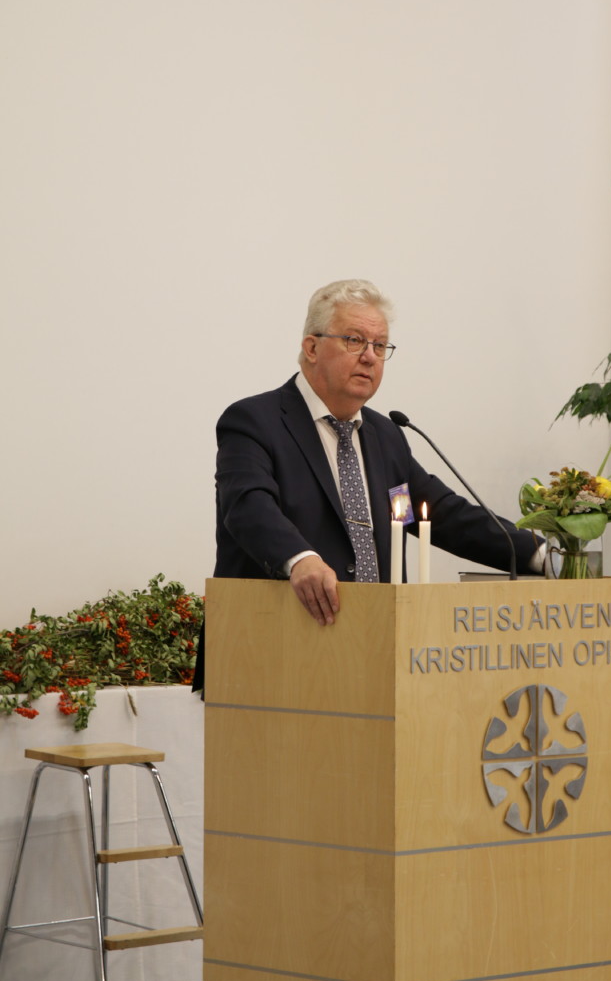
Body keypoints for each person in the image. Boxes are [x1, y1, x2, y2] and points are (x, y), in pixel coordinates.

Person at [192, 279, 541, 692]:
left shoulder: (385, 436)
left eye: (380, 345)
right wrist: (299, 559)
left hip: (372, 651)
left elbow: (442, 514)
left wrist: (540, 555)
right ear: (312, 347)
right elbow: (248, 506)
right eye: (354, 340)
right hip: (275, 653)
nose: (370, 356)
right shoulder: (255, 422)